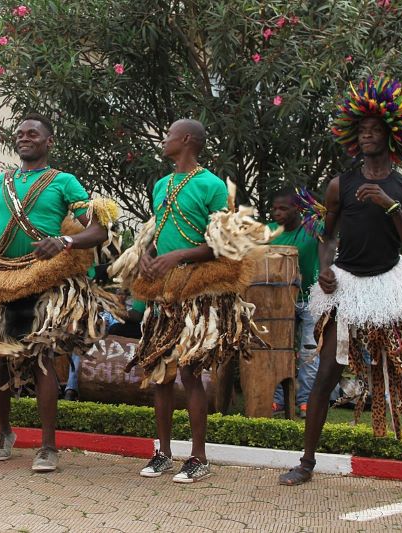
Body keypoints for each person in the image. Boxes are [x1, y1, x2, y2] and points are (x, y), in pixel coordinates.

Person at [277, 77, 402, 496]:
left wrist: (391, 206)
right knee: (328, 370)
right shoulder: (339, 185)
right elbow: (327, 236)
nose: (367, 136)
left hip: (391, 285)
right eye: (361, 131)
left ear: (390, 135)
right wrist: (324, 269)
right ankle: (306, 462)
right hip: (346, 285)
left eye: (374, 130)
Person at [0, 113, 121, 472]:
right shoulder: (0, 183)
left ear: (49, 142)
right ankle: (4, 433)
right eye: (19, 133)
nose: (23, 137)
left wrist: (65, 241)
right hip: (3, 280)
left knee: (44, 360)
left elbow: (98, 231)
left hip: (45, 281)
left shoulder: (64, 182)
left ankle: (48, 447)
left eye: (32, 133)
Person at [110, 119, 272, 483]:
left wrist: (179, 255)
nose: (163, 141)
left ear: (186, 141)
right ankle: (163, 453)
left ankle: (198, 457)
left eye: (168, 135)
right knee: (160, 374)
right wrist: (149, 254)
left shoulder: (212, 185)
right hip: (162, 292)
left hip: (197, 293)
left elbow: (223, 243)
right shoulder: (162, 184)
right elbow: (158, 228)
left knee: (189, 371)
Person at [269, 188, 321, 418]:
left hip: (311, 299)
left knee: (309, 351)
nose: (277, 213)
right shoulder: (270, 232)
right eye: (274, 209)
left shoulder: (314, 228)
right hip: (281, 301)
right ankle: (278, 400)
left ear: (297, 209)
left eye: (283, 208)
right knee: (279, 350)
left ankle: (305, 401)